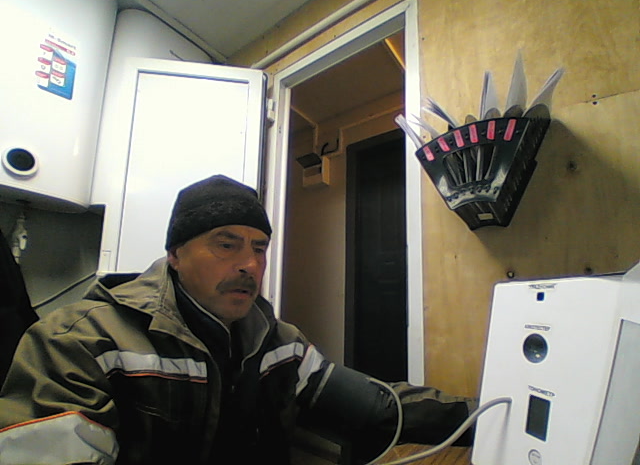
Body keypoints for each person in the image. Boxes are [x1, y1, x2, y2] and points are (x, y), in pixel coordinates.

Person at [0, 175, 475, 465]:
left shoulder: (280, 343)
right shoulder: (81, 341)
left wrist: (483, 416)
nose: (250, 264)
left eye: (259, 248)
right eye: (226, 244)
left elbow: (377, 409)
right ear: (175, 255)